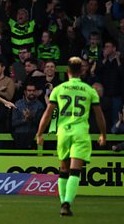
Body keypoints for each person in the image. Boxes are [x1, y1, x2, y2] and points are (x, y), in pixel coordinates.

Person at [36, 57, 106, 217]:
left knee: (63, 170)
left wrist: (40, 133)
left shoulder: (59, 89)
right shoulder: (89, 90)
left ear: (67, 71)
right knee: (75, 171)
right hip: (80, 132)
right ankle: (67, 202)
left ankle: (63, 202)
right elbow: (99, 115)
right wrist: (103, 134)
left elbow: (48, 114)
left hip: (63, 133)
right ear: (82, 71)